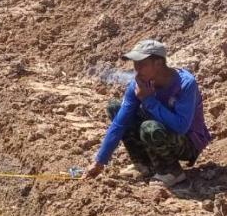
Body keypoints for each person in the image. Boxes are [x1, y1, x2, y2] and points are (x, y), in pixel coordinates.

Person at [84, 39, 211, 186]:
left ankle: (172, 171)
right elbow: (120, 123)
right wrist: (100, 161)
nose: (136, 69)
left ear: (158, 63)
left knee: (149, 128)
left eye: (141, 64)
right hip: (160, 131)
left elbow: (181, 126)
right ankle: (144, 165)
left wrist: (149, 101)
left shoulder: (185, 84)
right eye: (135, 64)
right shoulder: (140, 83)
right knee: (115, 108)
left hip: (188, 141)